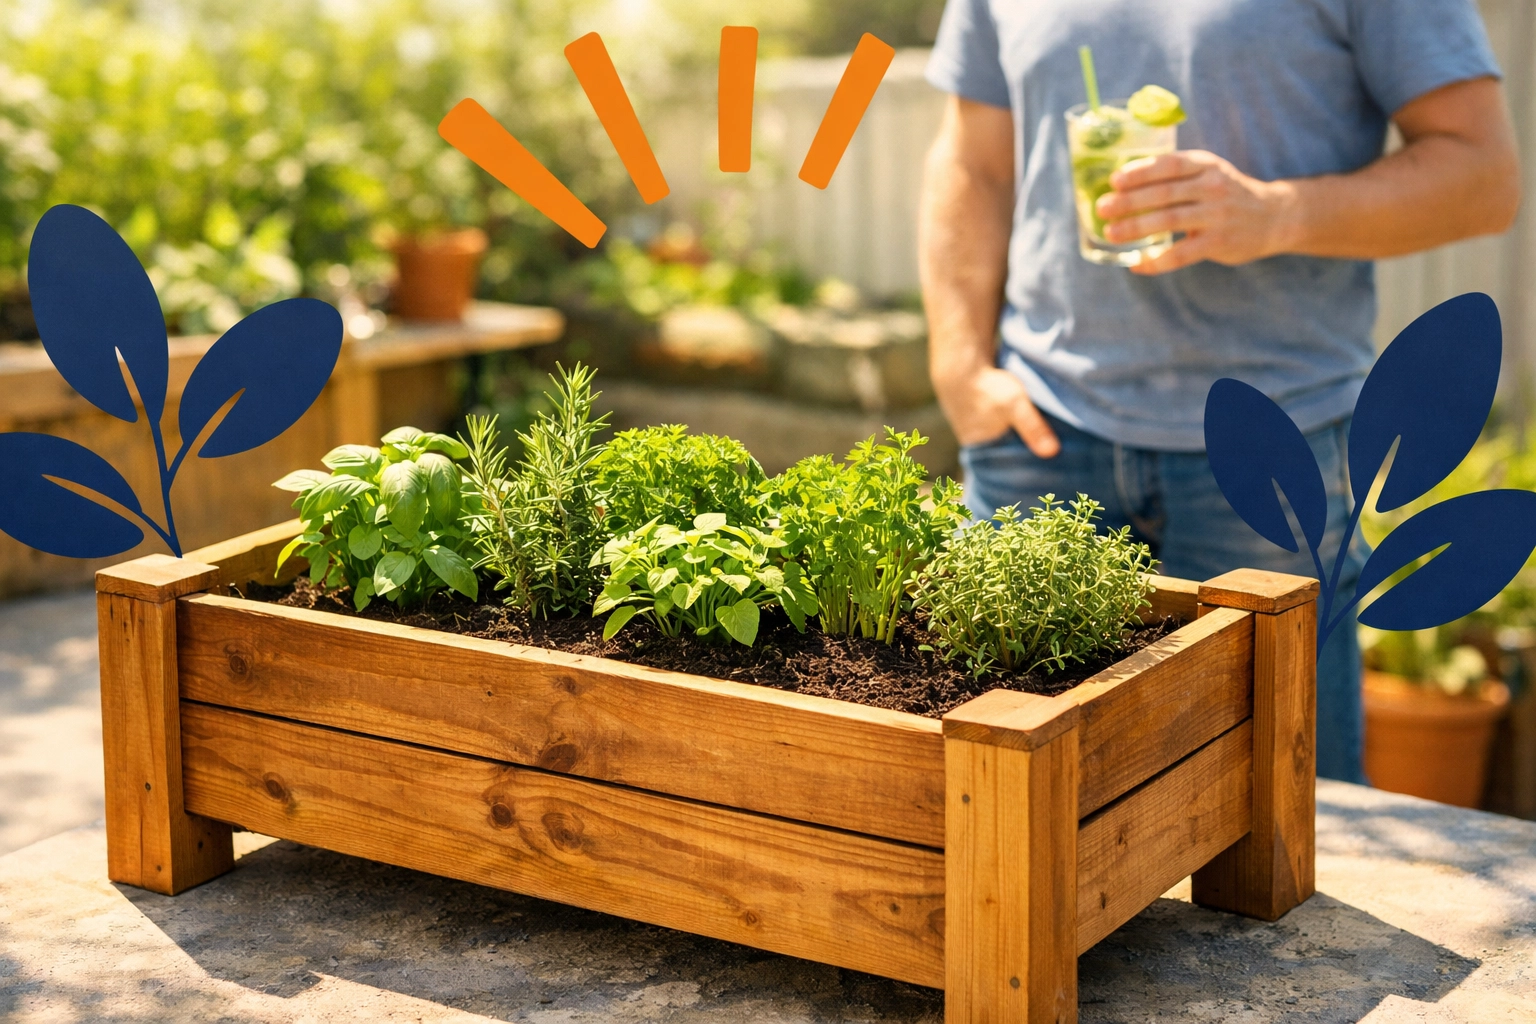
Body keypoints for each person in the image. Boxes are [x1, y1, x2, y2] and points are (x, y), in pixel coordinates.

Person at [919, 0, 1520, 783]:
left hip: (1274, 453)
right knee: (988, 800)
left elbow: (1484, 177)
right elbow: (974, 163)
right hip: (1036, 440)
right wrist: (960, 368)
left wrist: (1277, 214)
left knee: (1291, 825)